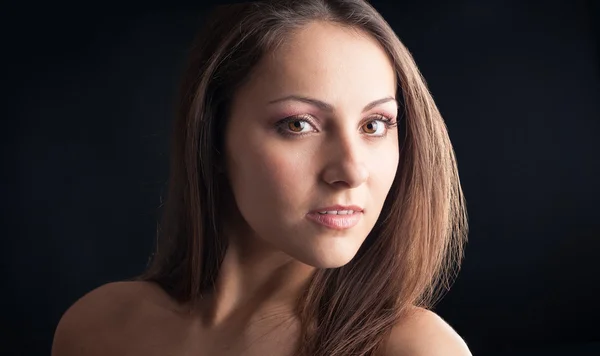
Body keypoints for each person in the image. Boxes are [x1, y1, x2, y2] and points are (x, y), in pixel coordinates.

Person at [52, 0, 470, 355]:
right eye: (298, 125)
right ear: (213, 136)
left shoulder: (414, 348)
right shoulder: (98, 330)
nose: (351, 170)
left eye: (375, 124)